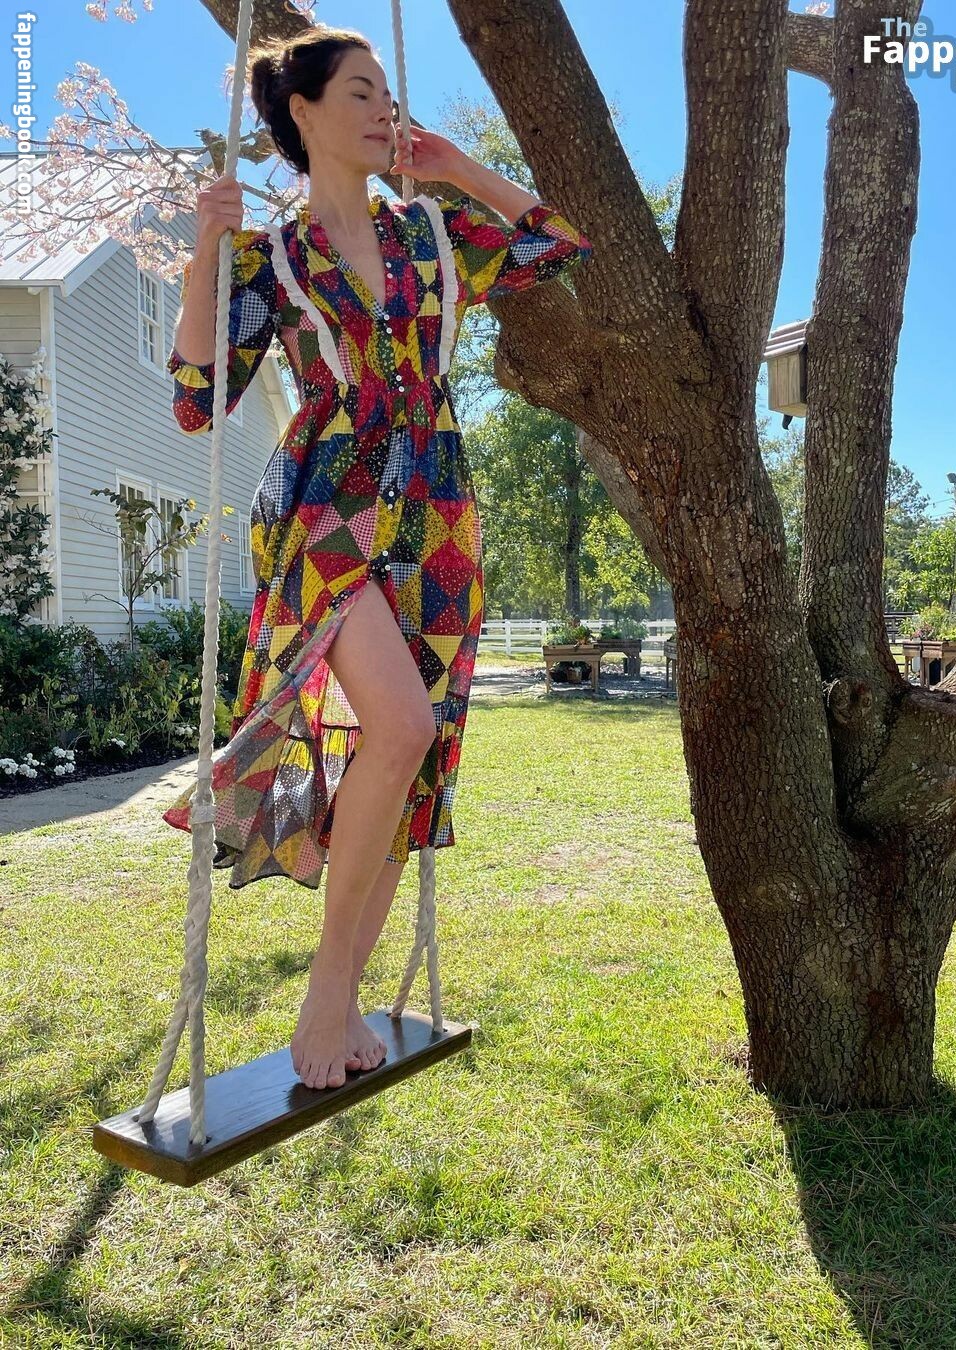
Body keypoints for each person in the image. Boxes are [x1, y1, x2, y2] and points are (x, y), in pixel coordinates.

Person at [161, 26, 593, 1092]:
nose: (382, 109)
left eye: (387, 93)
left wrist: (454, 166)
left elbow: (556, 243)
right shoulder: (272, 257)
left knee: (404, 761)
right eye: (360, 92)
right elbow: (196, 402)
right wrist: (204, 252)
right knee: (398, 726)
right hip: (327, 502)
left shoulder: (431, 233)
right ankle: (325, 994)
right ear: (303, 112)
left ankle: (343, 996)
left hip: (437, 513)